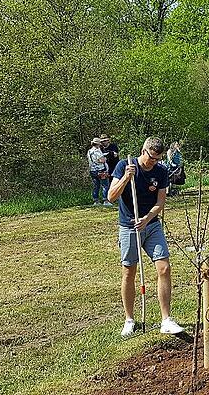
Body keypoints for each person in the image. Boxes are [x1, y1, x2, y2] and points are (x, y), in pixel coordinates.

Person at [107, 137, 184, 336]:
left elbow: (160, 203)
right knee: (129, 272)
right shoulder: (125, 165)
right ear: (143, 151)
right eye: (151, 158)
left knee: (164, 268)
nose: (154, 162)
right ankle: (129, 320)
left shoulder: (161, 171)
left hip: (151, 225)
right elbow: (111, 196)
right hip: (129, 227)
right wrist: (125, 178)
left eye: (158, 159)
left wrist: (147, 218)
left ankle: (166, 320)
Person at [87, 138, 111, 206]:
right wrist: (106, 158)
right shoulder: (97, 151)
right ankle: (105, 200)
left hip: (92, 170)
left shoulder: (89, 151)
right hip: (100, 170)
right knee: (105, 185)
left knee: (96, 186)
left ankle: (96, 201)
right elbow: (101, 160)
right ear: (98, 144)